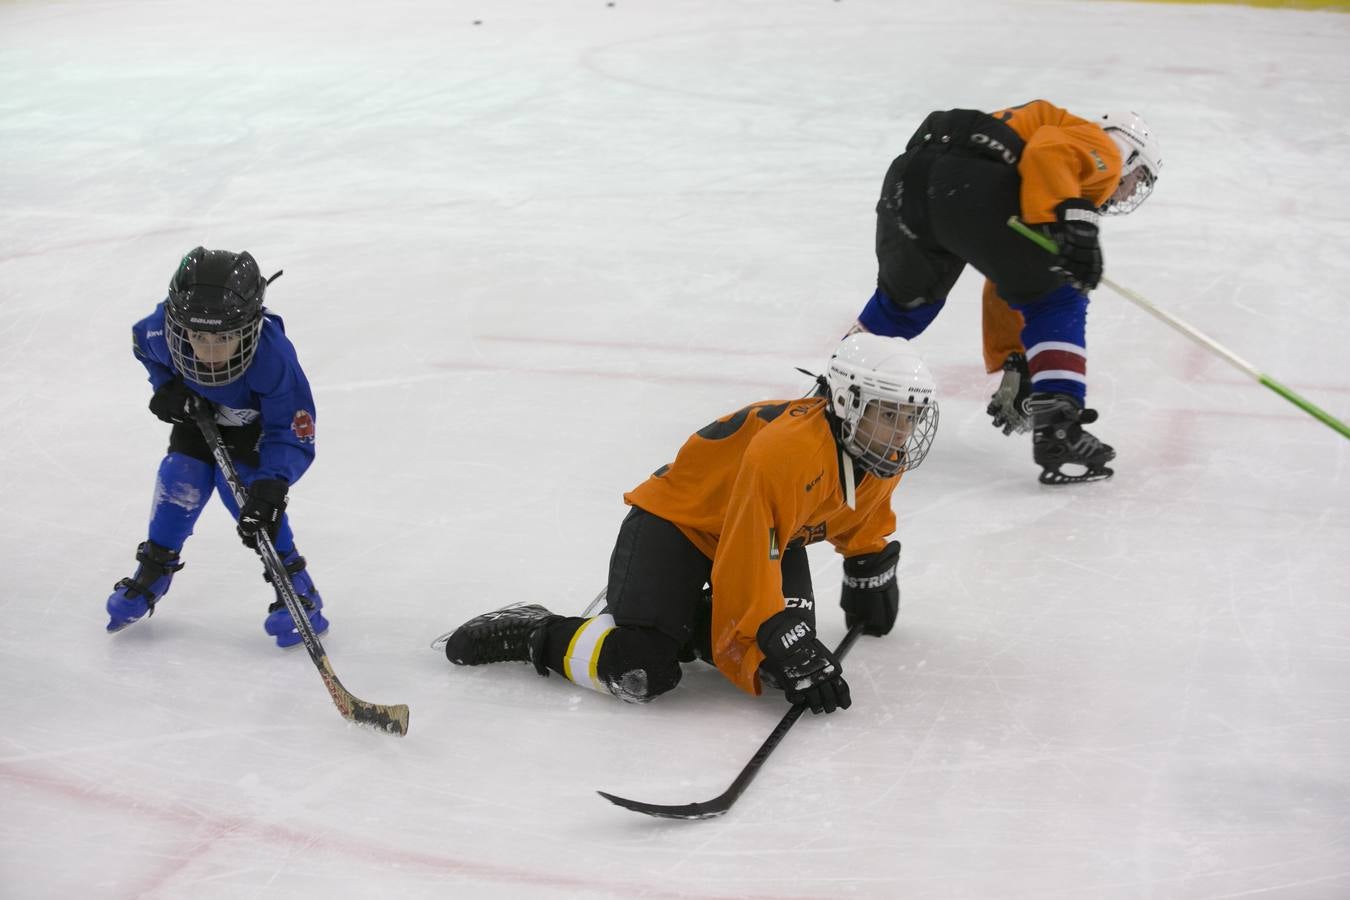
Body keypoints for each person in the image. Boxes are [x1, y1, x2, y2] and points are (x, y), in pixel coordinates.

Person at [436, 333, 938, 714]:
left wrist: (869, 564)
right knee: (640, 669)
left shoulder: (873, 450)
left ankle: (691, 626)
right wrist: (780, 633)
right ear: (848, 402)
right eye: (890, 414)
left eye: (910, 417)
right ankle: (536, 635)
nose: (903, 432)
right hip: (676, 525)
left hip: (759, 537)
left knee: (770, 664)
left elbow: (856, 512)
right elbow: (747, 555)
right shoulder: (787, 453)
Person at [849, 100, 1162, 484]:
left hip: (911, 176)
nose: (1127, 192)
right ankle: (1059, 428)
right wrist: (1073, 216)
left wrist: (1017, 358)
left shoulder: (1045, 155)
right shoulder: (1103, 149)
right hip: (971, 178)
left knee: (903, 306)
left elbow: (1009, 276)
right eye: (1138, 178)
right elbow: (1050, 150)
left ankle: (833, 396)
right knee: (1061, 293)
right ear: (1130, 152)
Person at [105, 247, 328, 647]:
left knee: (245, 496)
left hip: (254, 432)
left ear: (250, 327)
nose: (208, 351)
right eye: (198, 337)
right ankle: (156, 568)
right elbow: (143, 346)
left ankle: (298, 588)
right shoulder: (159, 331)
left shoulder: (273, 358)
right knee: (180, 476)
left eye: (224, 338)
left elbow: (293, 431)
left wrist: (272, 485)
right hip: (199, 414)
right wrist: (167, 388)